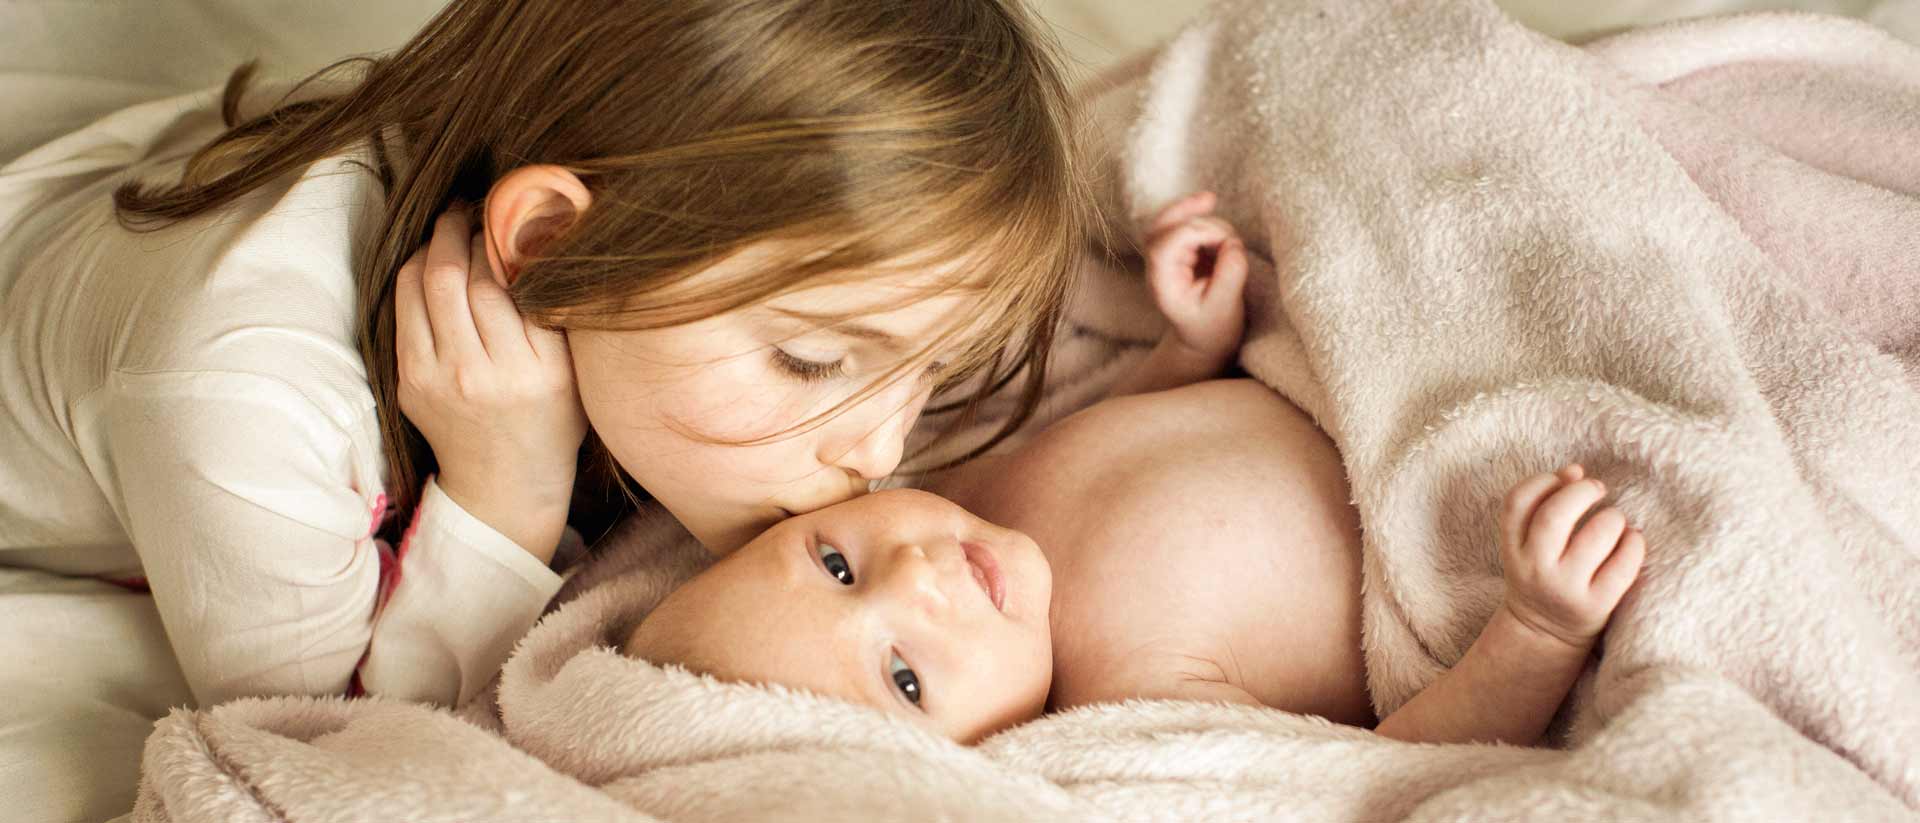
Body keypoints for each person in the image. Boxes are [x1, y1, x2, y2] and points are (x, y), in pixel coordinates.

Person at [0, 0, 1087, 711]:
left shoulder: (565, 157)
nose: (883, 450)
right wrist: (504, 490)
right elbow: (327, 737)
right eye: (811, 359)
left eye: (932, 368)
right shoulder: (245, 401)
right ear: (551, 242)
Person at [625, 193, 1646, 744]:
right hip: (1454, 532)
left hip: (1348, 375)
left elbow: (1110, 435)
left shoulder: (966, 493)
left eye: (837, 565)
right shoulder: (1133, 703)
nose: (917, 581)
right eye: (905, 675)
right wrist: (1536, 632)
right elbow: (1381, 774)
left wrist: (1187, 347)